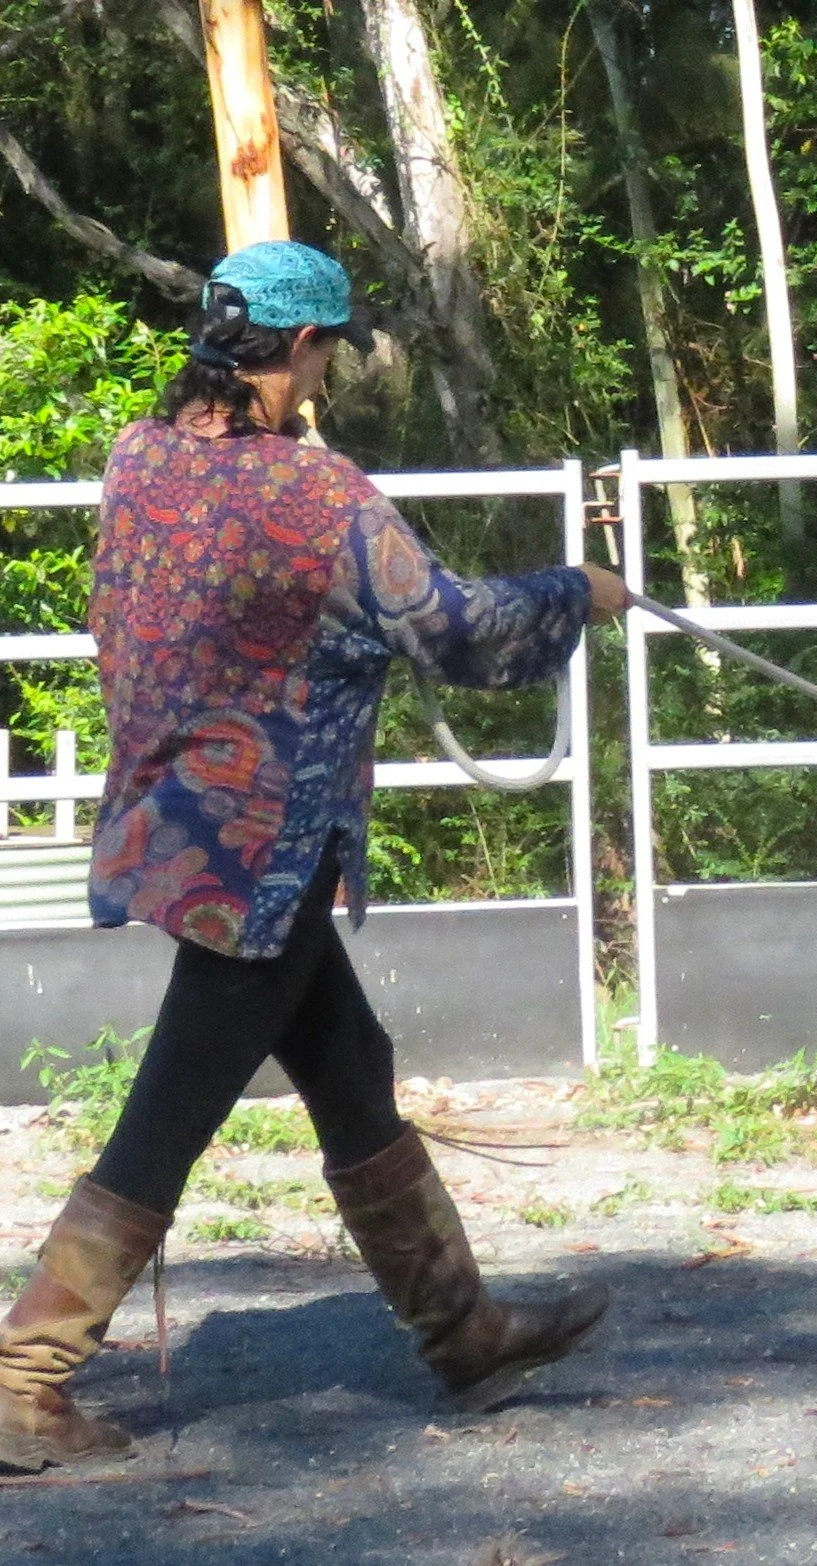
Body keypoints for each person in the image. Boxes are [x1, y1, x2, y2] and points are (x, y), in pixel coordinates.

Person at [0, 241, 632, 1473]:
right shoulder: (314, 493)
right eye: (328, 350)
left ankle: (466, 1334)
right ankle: (26, 1381)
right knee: (170, 1113)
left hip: (177, 824)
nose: (327, 372)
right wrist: (577, 590)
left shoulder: (142, 457)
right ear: (300, 349)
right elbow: (455, 632)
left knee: (353, 1065)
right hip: (268, 849)